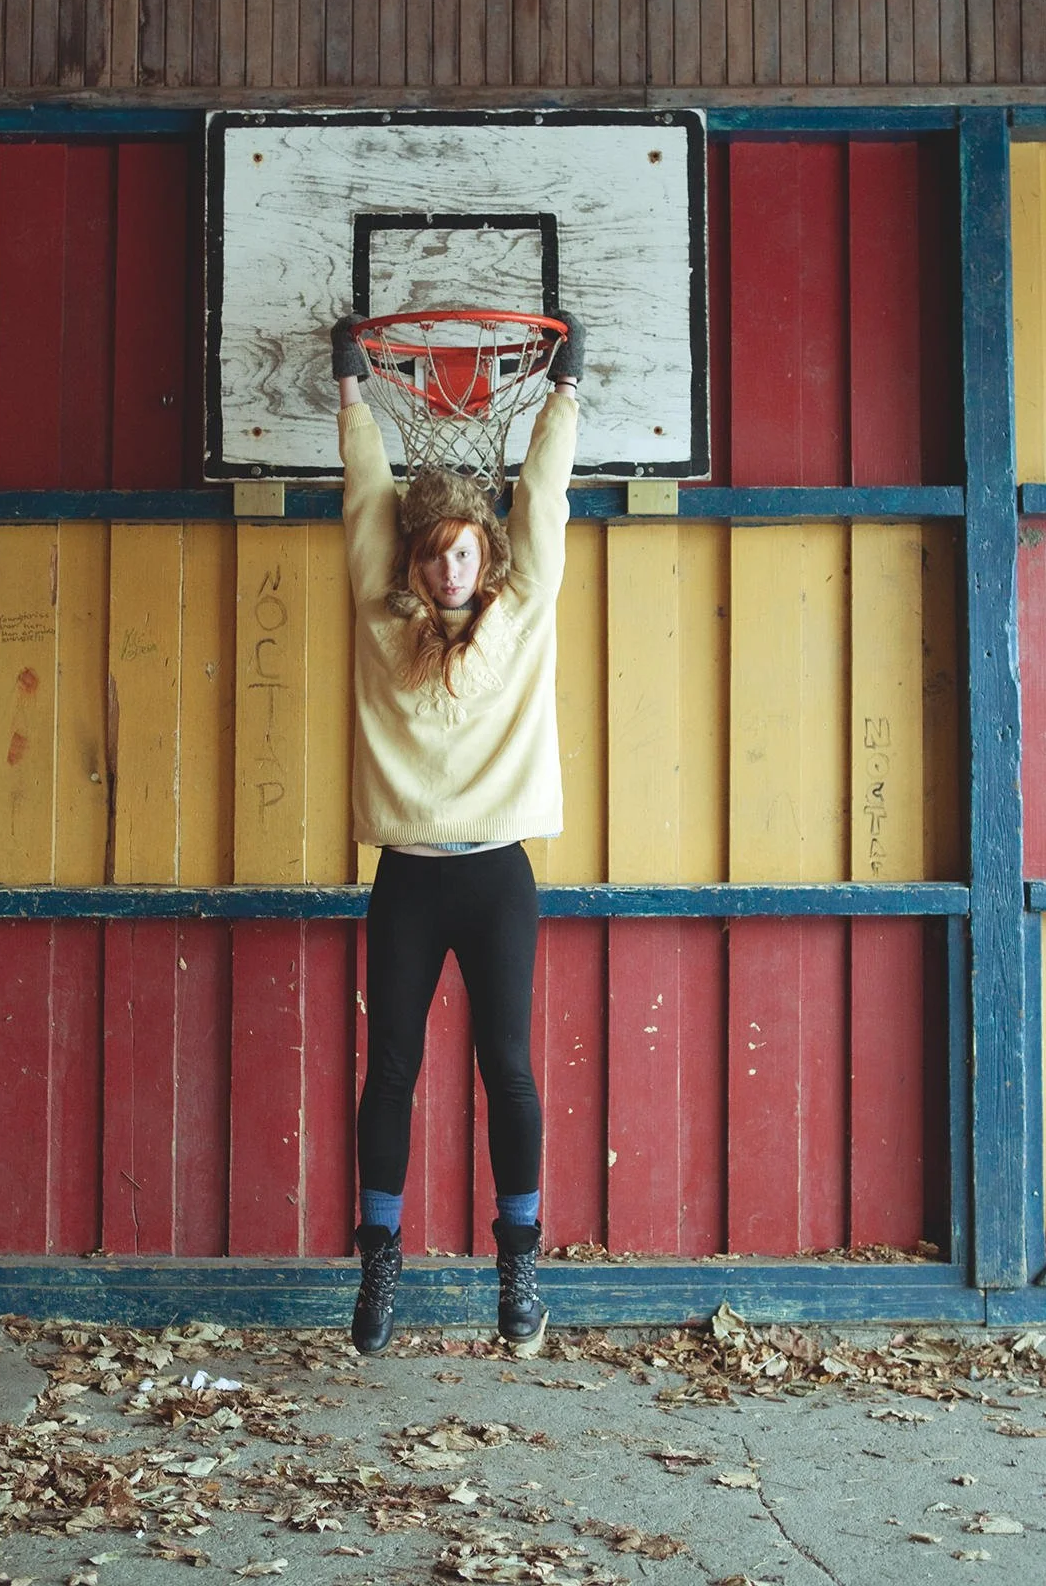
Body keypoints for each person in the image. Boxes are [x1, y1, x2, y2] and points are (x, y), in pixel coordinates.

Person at [332, 310, 583, 1358]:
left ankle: (519, 1270)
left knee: (507, 1068)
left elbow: (548, 502)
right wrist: (353, 398)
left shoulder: (523, 612)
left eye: (466, 552)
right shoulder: (380, 617)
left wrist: (565, 397)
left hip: (495, 876)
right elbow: (363, 504)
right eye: (435, 553)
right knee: (389, 1068)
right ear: (417, 558)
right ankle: (378, 1267)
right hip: (409, 875)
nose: (450, 569)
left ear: (488, 555)